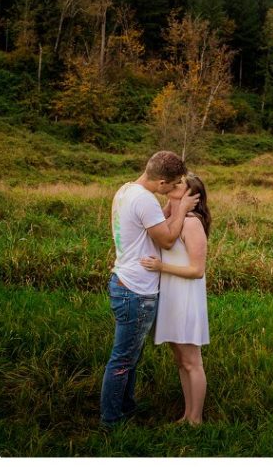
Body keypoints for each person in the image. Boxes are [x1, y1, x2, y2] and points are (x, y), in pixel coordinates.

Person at [100, 151, 199, 426]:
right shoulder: (145, 200)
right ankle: (111, 420)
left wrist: (170, 209)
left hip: (124, 280)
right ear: (163, 183)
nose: (175, 188)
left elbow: (152, 224)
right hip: (136, 289)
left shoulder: (127, 190)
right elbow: (166, 240)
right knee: (122, 359)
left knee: (130, 356)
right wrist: (180, 209)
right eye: (174, 184)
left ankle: (126, 408)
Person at [141, 173, 211, 425]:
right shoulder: (174, 218)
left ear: (192, 196)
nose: (173, 182)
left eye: (180, 183)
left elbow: (197, 270)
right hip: (172, 297)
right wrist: (174, 206)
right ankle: (187, 416)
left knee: (192, 361)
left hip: (186, 298)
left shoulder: (192, 223)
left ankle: (196, 418)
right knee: (181, 361)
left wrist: (161, 267)